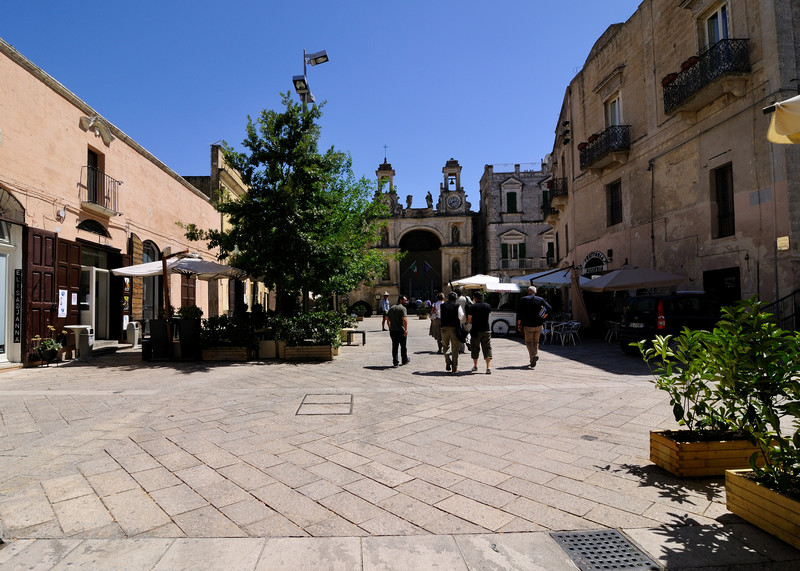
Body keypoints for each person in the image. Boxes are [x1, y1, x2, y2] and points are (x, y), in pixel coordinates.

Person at [517, 285, 552, 369]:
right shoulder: (540, 299)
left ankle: (533, 355)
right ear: (535, 292)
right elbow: (549, 308)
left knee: (529, 342)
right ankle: (532, 360)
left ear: (528, 291)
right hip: (538, 324)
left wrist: (519, 324)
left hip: (528, 324)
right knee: (535, 342)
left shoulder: (523, 299)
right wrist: (543, 316)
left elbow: (520, 313)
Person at [466, 291, 492, 374]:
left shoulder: (472, 307)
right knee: (487, 348)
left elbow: (469, 320)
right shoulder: (487, 306)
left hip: (476, 330)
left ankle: (475, 366)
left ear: (475, 298)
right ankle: (488, 367)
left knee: (475, 348)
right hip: (486, 329)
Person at [440, 291, 464, 374]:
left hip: (444, 328)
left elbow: (440, 314)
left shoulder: (442, 305)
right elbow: (461, 316)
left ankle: (447, 360)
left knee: (445, 346)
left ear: (447, 298)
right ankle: (454, 367)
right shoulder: (457, 306)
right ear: (455, 299)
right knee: (455, 348)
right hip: (454, 328)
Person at [387, 295, 410, 367]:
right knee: (403, 346)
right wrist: (406, 329)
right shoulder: (402, 308)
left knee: (395, 346)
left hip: (393, 330)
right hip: (401, 330)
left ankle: (395, 362)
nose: (406, 302)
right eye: (405, 300)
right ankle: (404, 360)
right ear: (401, 300)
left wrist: (390, 327)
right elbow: (404, 319)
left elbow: (387, 319)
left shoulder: (391, 308)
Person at [455, 287, 470, 353]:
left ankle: (461, 348)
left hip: (457, 319)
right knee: (466, 332)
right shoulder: (465, 298)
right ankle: (468, 341)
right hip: (465, 318)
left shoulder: (455, 300)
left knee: (459, 334)